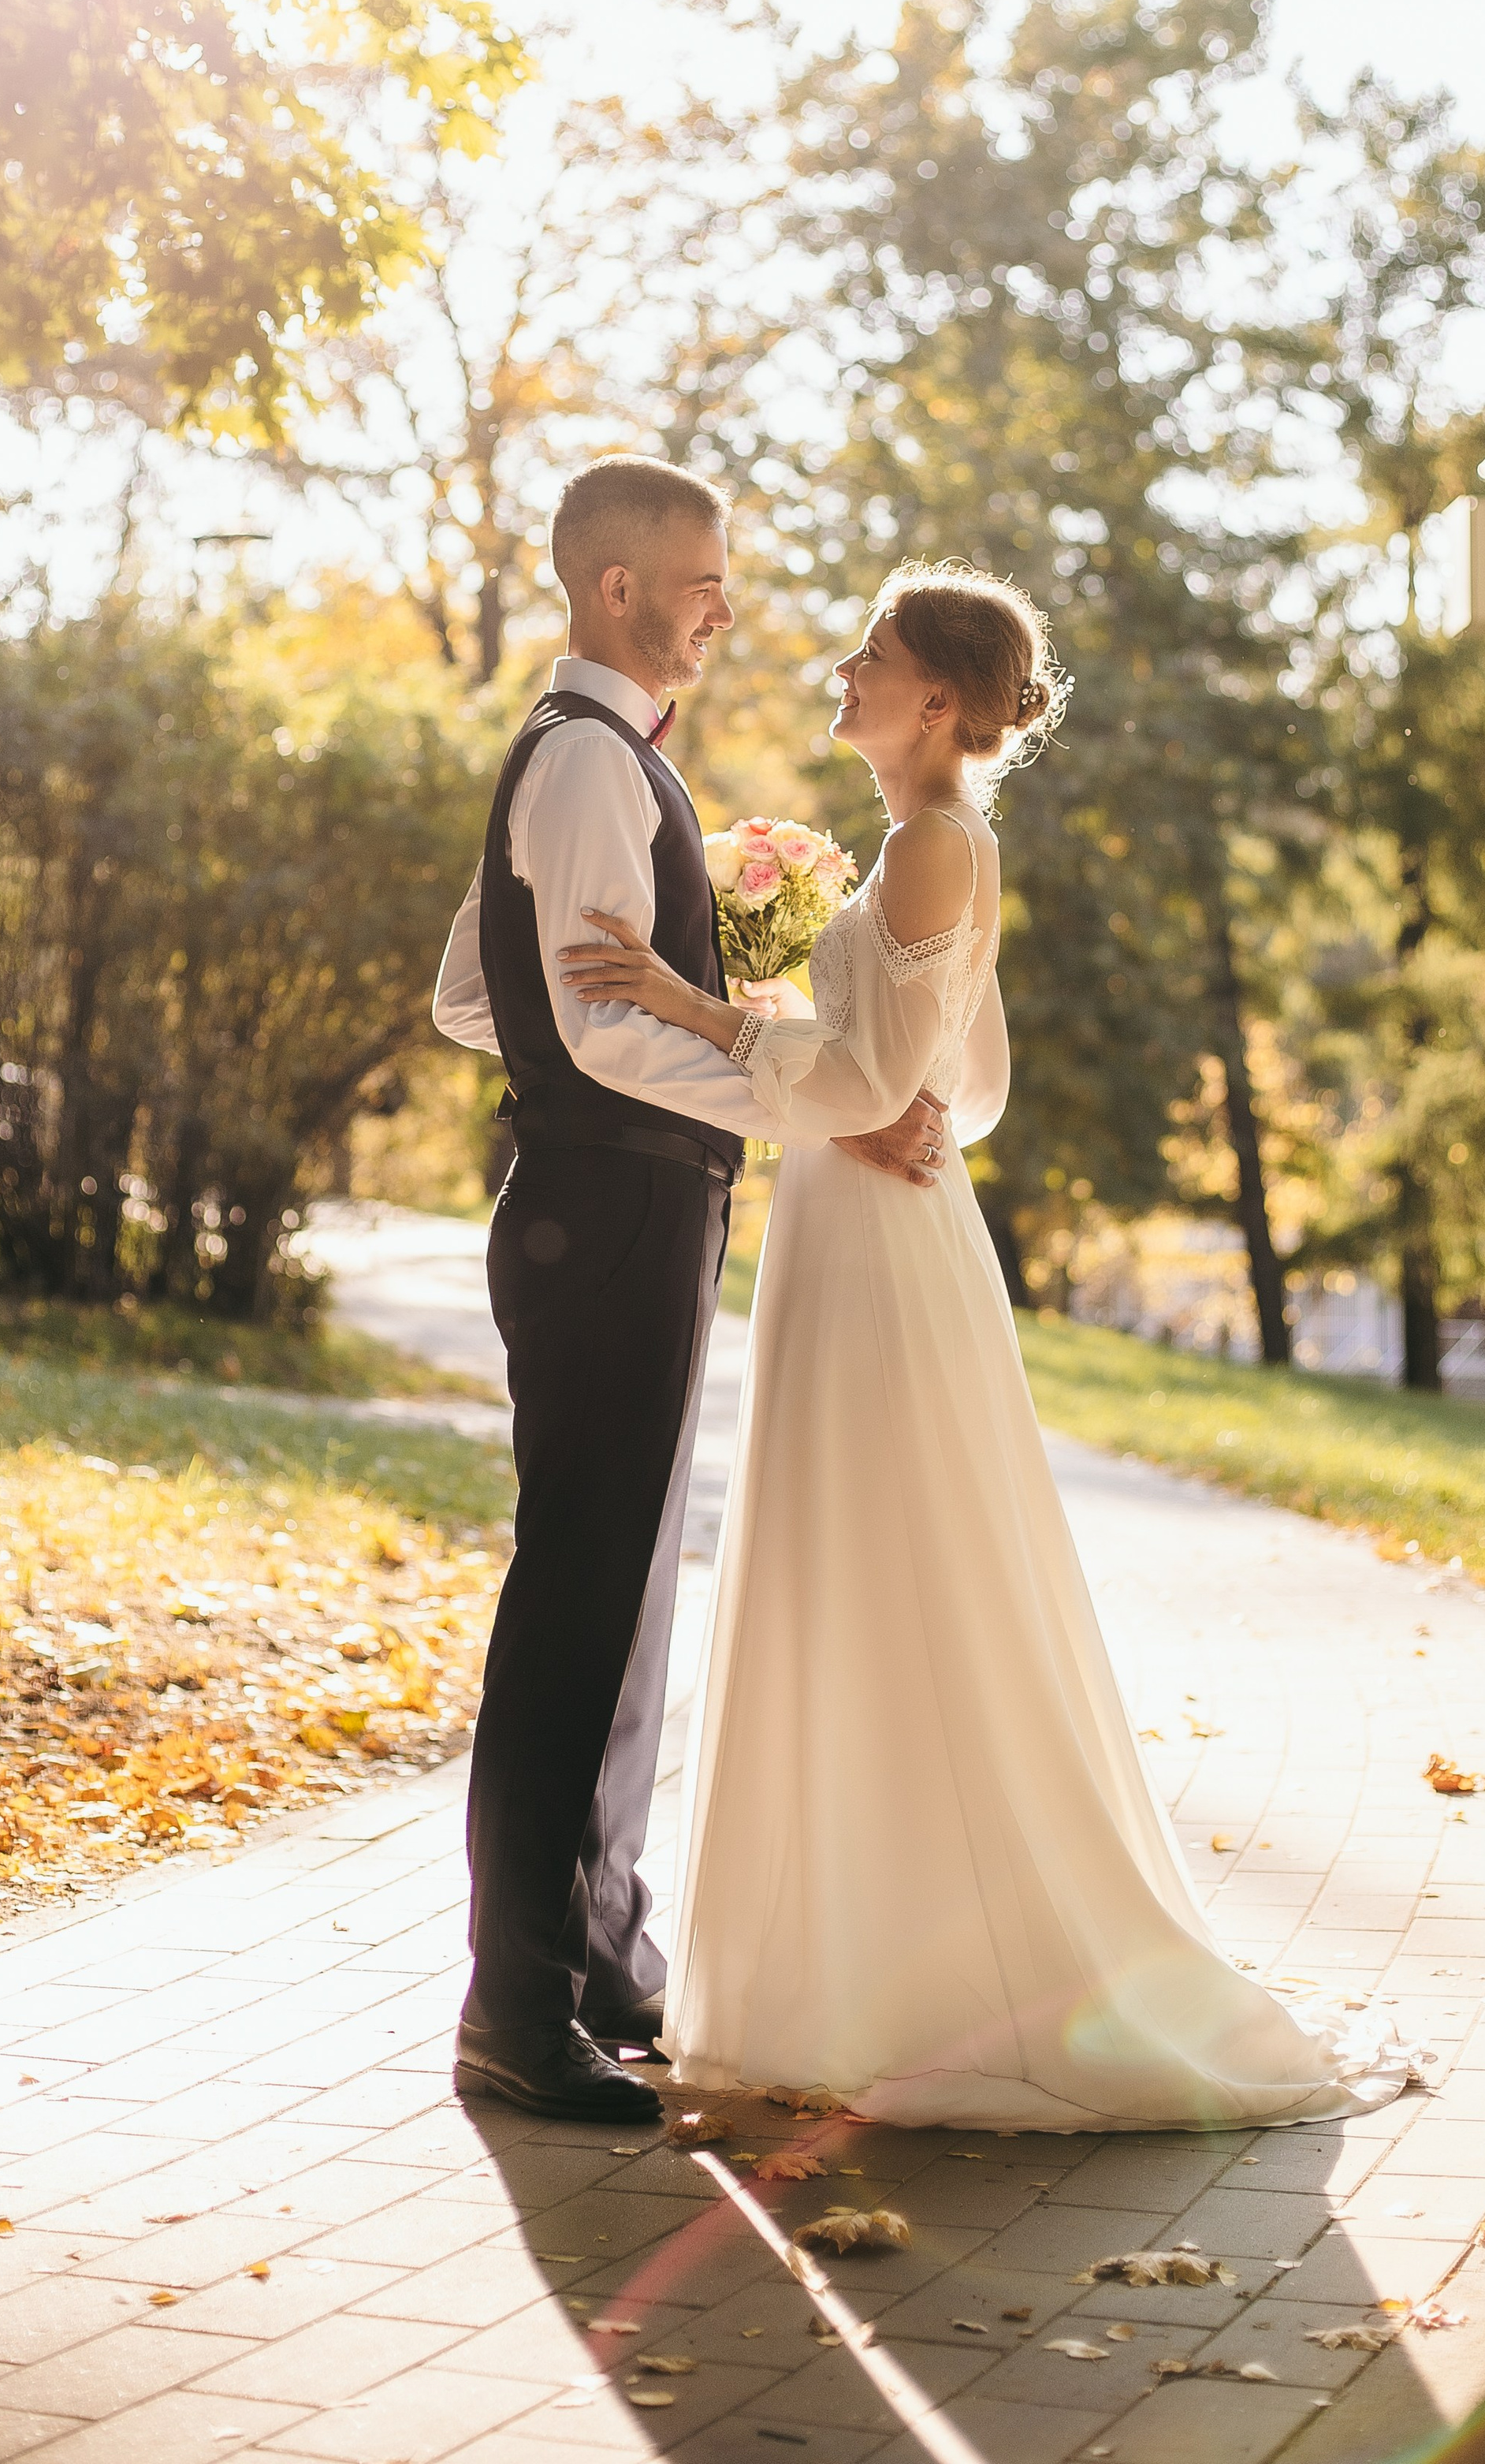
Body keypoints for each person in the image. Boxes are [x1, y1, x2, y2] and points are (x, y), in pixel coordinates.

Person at [559, 561, 1409, 2130]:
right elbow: (968, 1083)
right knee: (872, 1567)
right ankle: (862, 1961)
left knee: (891, 1569)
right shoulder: (937, 843)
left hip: (878, 1254)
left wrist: (690, 1000)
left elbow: (875, 1086)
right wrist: (882, 1086)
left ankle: (919, 1971)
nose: (841, 668)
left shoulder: (933, 843)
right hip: (872, 1231)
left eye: (868, 653)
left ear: (935, 698)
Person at [430, 460, 947, 2126]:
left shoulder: (588, 753)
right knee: (580, 1598)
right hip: (606, 1213)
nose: (724, 608)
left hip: (621, 1205)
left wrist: (658, 1031)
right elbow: (588, 1029)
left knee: (630, 1585)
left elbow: (471, 997)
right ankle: (515, 2010)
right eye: (702, 580)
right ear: (617, 589)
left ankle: (597, 1956)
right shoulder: (590, 759)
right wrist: (814, 1104)